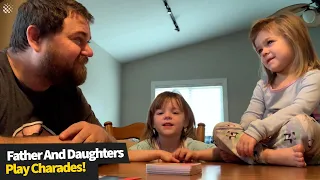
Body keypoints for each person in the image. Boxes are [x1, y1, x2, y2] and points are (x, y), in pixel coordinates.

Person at [0, 0, 115, 144]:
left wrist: (104, 137)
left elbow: (113, 145)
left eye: (88, 42)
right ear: (35, 37)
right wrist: (61, 146)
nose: (89, 52)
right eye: (78, 40)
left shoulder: (69, 92)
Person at [213, 12, 320, 167]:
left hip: (306, 144)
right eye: (259, 50)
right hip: (269, 141)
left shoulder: (313, 76)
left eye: (269, 42)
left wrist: (258, 131)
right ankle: (269, 156)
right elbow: (250, 115)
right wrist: (249, 132)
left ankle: (250, 156)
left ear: (293, 39)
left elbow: (300, 108)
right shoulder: (262, 85)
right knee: (220, 129)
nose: (263, 52)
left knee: (300, 122)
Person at [128, 91, 222, 162]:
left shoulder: (191, 146)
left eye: (175, 112)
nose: (167, 116)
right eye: (160, 113)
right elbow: (117, 155)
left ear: (185, 122)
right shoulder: (148, 145)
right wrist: (159, 154)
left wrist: (195, 154)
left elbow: (222, 153)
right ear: (152, 123)